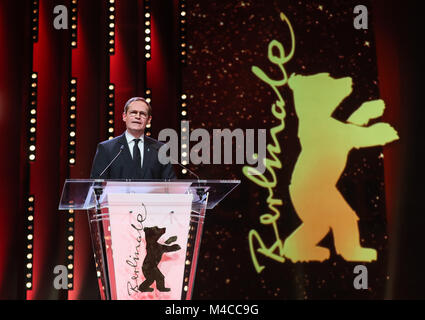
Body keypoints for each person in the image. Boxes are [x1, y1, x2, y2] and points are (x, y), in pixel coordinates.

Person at [90, 97, 176, 179]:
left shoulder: (160, 149)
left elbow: (171, 184)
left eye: (142, 114)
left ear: (149, 120)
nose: (137, 116)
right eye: (133, 112)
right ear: (124, 116)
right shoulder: (106, 149)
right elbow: (97, 184)